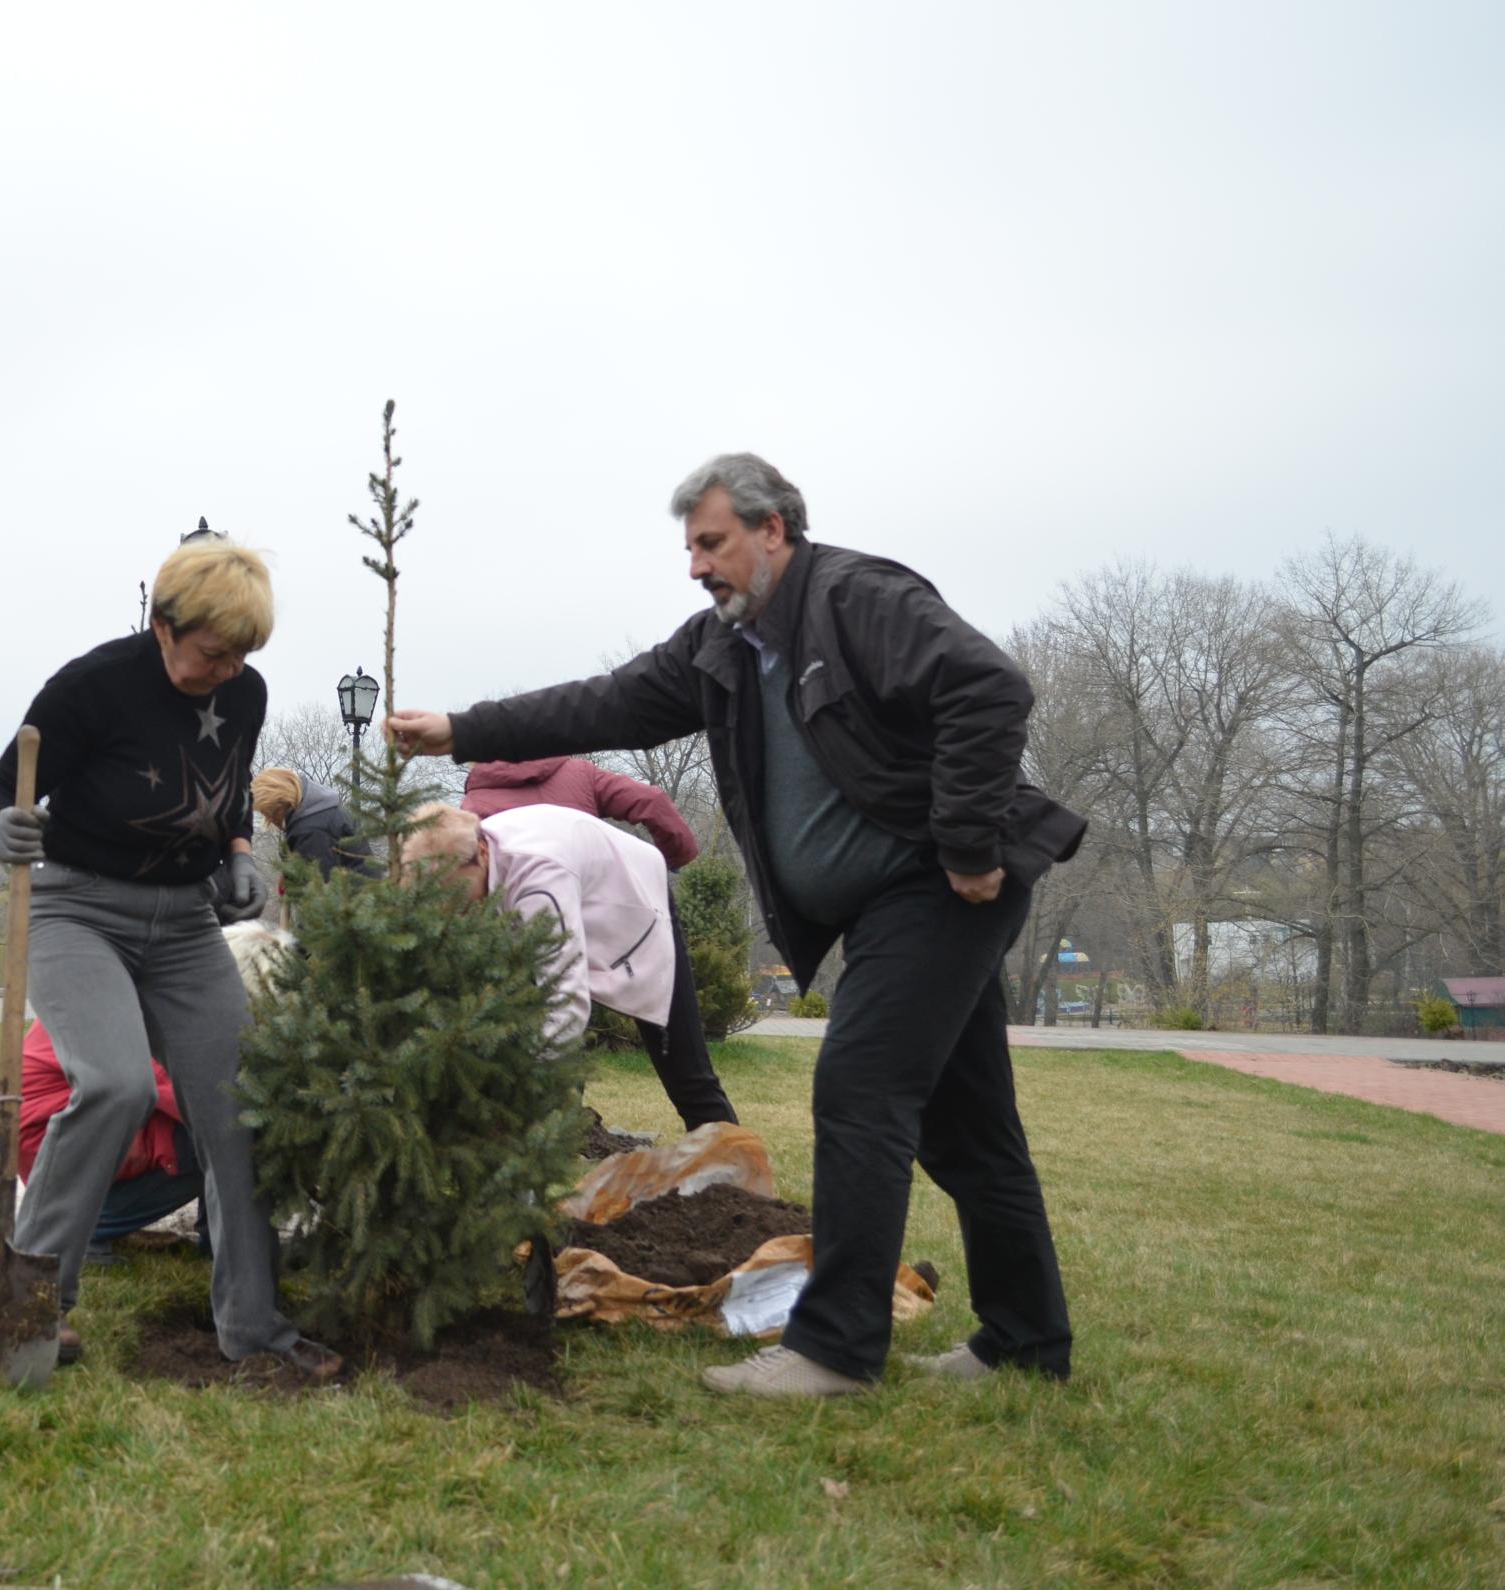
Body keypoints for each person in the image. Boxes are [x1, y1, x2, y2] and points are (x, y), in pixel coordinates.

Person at [387, 452, 1084, 1398]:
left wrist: (965, 843)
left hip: (933, 889)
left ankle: (835, 1349)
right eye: (689, 547)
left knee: (858, 1089)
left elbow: (988, 688)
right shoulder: (722, 646)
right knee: (968, 1130)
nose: (696, 565)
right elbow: (608, 701)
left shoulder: (859, 599)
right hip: (893, 902)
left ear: (774, 530)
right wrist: (462, 730)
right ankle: (1026, 1341)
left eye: (711, 543)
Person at [0, 538, 340, 1381]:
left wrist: (241, 855)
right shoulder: (90, 687)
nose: (228, 671)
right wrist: (3, 829)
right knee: (114, 1083)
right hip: (75, 910)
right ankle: (29, 1305)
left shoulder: (244, 692)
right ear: (163, 625)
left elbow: (232, 786)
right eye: (213, 652)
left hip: (182, 924)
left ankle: (255, 1328)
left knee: (240, 1105)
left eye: (243, 656)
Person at [398, 803, 737, 1129]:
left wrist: (520, 1089)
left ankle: (733, 1173)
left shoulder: (539, 880)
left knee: (684, 1070)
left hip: (638, 907)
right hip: (577, 896)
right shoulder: (475, 857)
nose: (450, 909)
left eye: (454, 892)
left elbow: (566, 1001)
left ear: (482, 854)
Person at [13, 1020, 204, 1265]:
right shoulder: (120, 1011)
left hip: (55, 1125)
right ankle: (77, 1230)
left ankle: (216, 1241)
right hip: (51, 1134)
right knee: (211, 1144)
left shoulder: (104, 993)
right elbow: (185, 1095)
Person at [461, 757, 700, 870]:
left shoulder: (472, 808)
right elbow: (651, 801)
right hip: (602, 904)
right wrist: (672, 859)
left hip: (525, 925)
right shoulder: (579, 773)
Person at [250, 768, 377, 879]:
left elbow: (319, 888)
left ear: (282, 801)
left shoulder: (312, 831)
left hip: (351, 902)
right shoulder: (323, 811)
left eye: (269, 812)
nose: (270, 819)